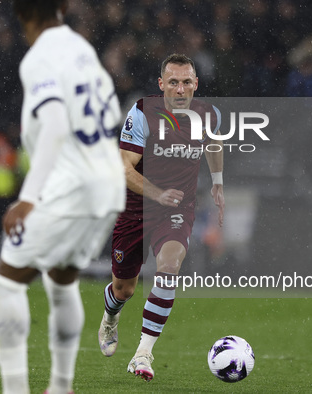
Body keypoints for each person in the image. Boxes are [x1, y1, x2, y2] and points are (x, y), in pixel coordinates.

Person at [0, 1, 125, 393]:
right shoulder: (83, 49)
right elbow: (110, 111)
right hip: (108, 181)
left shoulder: (39, 58)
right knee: (61, 280)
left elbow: (54, 125)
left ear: (20, 13)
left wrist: (28, 197)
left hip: (74, 185)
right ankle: (61, 387)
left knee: (7, 282)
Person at [97, 53, 225, 381]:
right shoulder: (142, 113)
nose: (180, 90)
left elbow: (213, 144)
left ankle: (143, 352)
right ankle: (111, 313)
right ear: (161, 85)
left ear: (195, 84)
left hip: (177, 210)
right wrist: (157, 194)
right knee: (124, 289)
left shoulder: (208, 115)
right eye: (173, 83)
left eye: (186, 83)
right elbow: (124, 167)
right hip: (136, 209)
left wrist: (218, 183)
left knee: (169, 268)